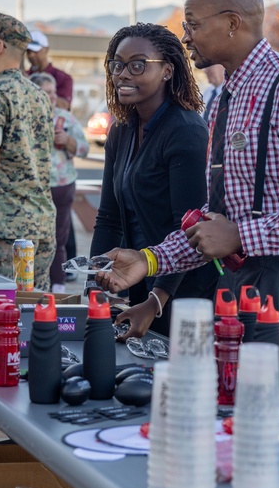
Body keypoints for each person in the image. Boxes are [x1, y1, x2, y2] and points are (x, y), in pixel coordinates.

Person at [96, 0, 279, 404]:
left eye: (192, 25)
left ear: (232, 23)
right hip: (248, 277)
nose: (184, 38)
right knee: (245, 405)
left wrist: (242, 237)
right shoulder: (225, 99)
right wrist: (148, 261)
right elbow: (213, 221)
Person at [89, 23, 217, 338]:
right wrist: (94, 289)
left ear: (167, 71)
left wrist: (155, 301)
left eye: (138, 65)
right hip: (138, 281)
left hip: (184, 291)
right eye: (117, 64)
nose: (123, 74)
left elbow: (190, 230)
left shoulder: (186, 131)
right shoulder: (121, 129)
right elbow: (108, 218)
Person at [0, 13, 57, 289]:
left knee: (3, 315)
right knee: (35, 316)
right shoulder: (39, 95)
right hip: (42, 225)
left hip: (5, 231)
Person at [29, 72, 89, 294]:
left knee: (58, 236)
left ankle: (58, 284)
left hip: (62, 184)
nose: (53, 97)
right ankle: (31, 283)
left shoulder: (65, 118)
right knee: (33, 237)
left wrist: (69, 141)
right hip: (34, 187)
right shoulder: (26, 116)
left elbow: (84, 148)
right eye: (47, 92)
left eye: (54, 92)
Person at [26, 31, 73, 110]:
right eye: (28, 51)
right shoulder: (23, 76)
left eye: (35, 51)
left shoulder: (63, 78)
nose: (31, 55)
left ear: (46, 50)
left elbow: (64, 105)